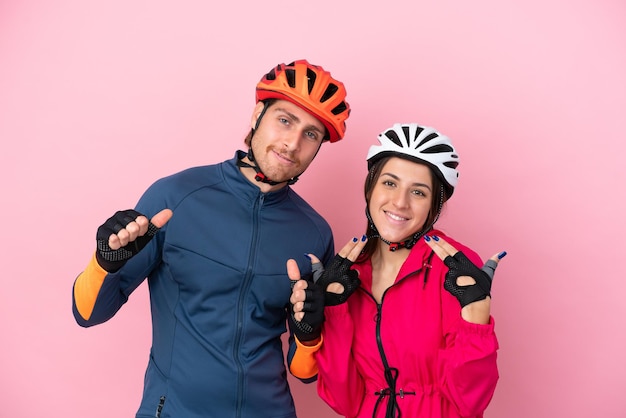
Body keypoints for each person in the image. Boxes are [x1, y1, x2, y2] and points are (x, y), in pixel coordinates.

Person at [71, 59, 351, 418]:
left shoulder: (314, 232)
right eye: (285, 120)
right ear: (256, 117)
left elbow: (304, 371)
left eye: (311, 134)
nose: (293, 143)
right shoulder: (175, 197)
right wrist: (104, 263)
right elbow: (88, 313)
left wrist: (308, 333)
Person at [289, 123, 505, 417]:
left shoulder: (456, 268)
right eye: (389, 183)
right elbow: (345, 401)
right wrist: (330, 315)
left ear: (433, 205)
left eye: (418, 192)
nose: (400, 203)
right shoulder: (348, 273)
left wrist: (476, 320)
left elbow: (471, 401)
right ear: (371, 189)